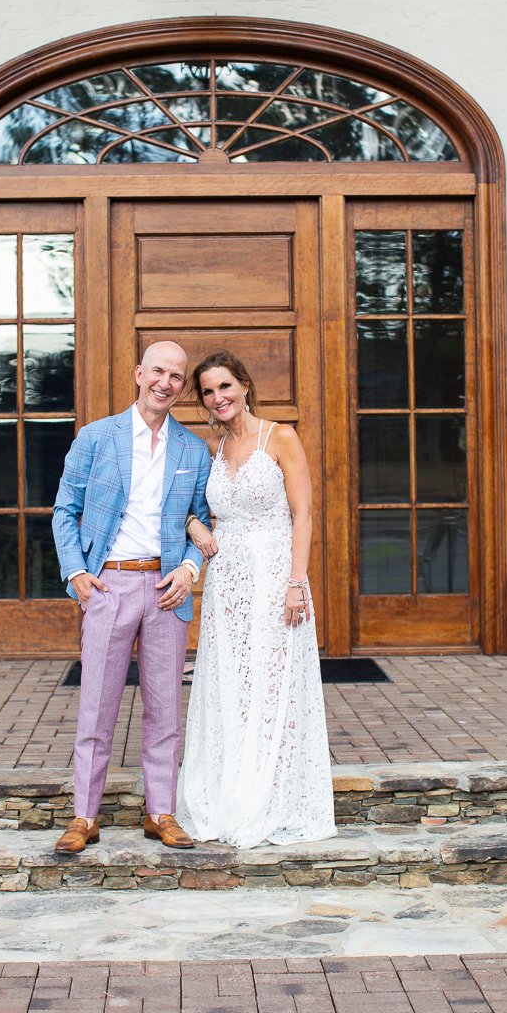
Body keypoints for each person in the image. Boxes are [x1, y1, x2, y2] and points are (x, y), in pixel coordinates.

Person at [52, 341, 212, 853]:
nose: (166, 382)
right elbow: (64, 511)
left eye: (177, 376)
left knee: (165, 708)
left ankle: (160, 811)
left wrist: (190, 568)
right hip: (108, 585)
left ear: (183, 386)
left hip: (167, 589)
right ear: (139, 373)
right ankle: (84, 817)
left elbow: (203, 521)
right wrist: (76, 573)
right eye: (158, 371)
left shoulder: (191, 448)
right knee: (96, 707)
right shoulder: (97, 437)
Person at [176, 350, 336, 848]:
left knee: (274, 682)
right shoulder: (213, 447)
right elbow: (192, 509)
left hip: (274, 575)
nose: (218, 397)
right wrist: (194, 524)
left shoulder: (280, 436)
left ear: (244, 385)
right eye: (207, 391)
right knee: (231, 683)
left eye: (225, 386)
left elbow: (303, 515)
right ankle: (230, 789)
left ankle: (274, 797)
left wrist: (296, 583)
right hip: (227, 582)